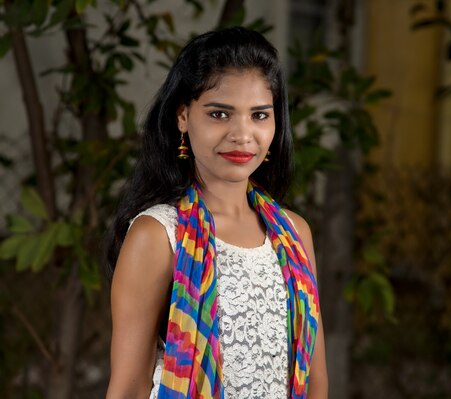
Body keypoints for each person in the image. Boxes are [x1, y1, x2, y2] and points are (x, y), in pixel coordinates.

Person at [104, 27, 327, 399]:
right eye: (220, 114)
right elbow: (128, 387)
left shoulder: (294, 233)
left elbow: (316, 382)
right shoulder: (158, 235)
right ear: (183, 117)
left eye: (259, 115)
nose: (243, 134)